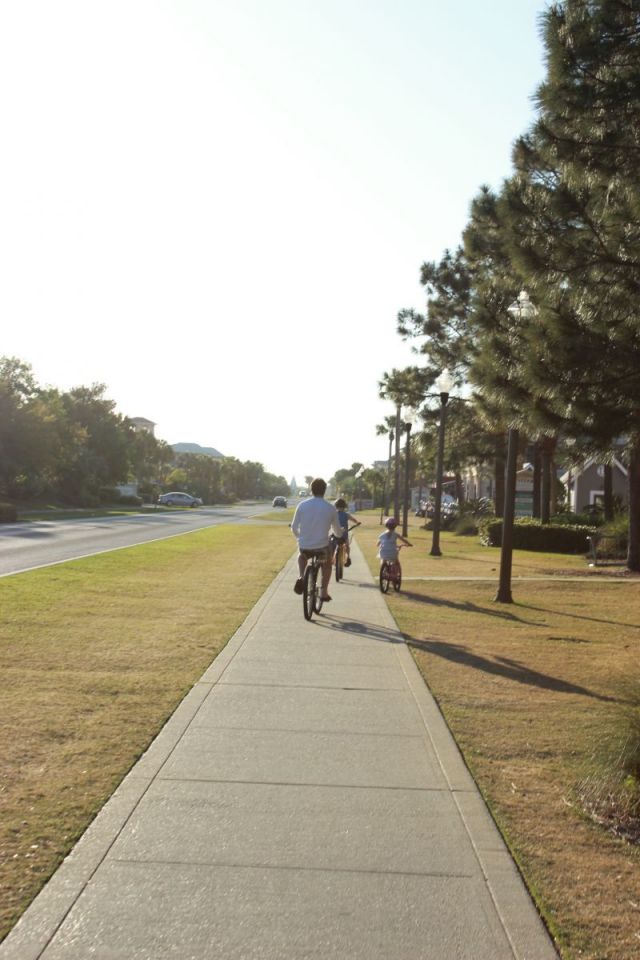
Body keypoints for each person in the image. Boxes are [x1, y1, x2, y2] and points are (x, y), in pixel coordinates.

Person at [291, 478, 344, 601]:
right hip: (322, 547)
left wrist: (300, 537)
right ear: (324, 491)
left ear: (311, 490)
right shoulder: (330, 508)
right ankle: (324, 592)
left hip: (305, 545)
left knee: (302, 556)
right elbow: (337, 531)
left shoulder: (302, 505)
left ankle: (301, 576)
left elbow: (294, 527)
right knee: (327, 565)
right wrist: (340, 534)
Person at [333, 497, 360, 566]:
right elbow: (353, 519)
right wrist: (357, 522)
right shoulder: (346, 514)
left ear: (336, 506)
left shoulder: (334, 514)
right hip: (344, 534)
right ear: (344, 506)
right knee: (347, 545)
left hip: (336, 533)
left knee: (332, 544)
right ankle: (348, 557)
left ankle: (332, 558)